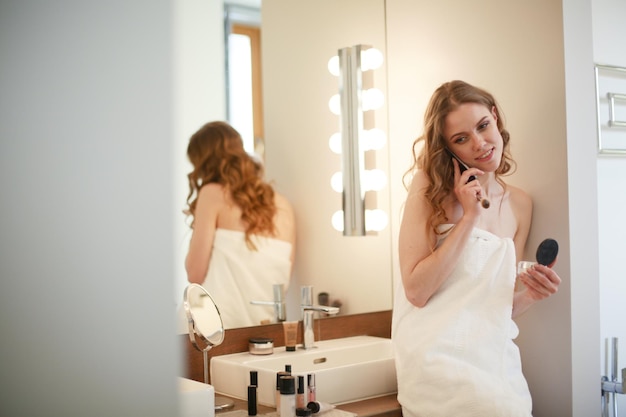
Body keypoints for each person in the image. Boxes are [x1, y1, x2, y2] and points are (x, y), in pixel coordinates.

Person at [392, 80, 561, 416]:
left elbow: (496, 307)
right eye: (461, 139)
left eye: (483, 126)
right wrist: (469, 216)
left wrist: (533, 293)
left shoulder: (520, 204)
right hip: (436, 369)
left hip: (497, 367)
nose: (480, 144)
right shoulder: (428, 188)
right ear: (448, 148)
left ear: (495, 117)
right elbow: (416, 291)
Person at [184, 121, 296, 328]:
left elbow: (195, 274)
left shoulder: (212, 193)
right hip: (265, 328)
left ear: (203, 163)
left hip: (216, 328)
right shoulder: (284, 205)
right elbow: (283, 282)